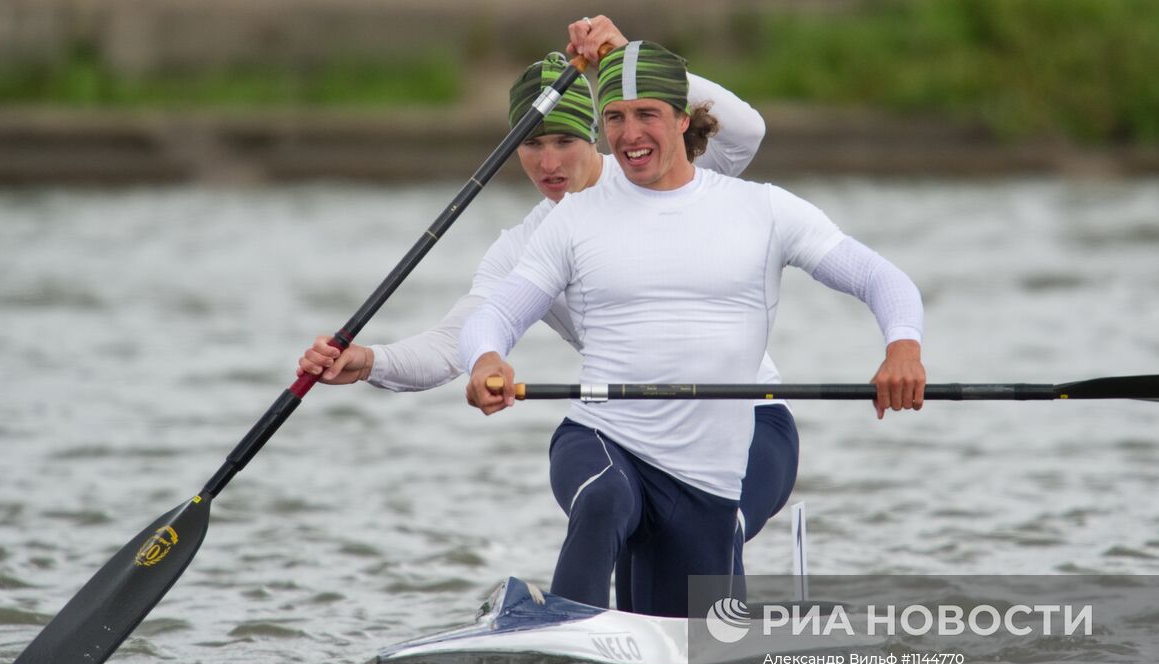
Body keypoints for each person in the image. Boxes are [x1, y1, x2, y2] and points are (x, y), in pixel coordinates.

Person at [294, 18, 797, 607]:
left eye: (565, 141)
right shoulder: (525, 245)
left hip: (746, 420)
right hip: (631, 435)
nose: (547, 161)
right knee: (603, 500)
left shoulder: (667, 173)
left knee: (721, 525)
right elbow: (455, 342)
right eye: (532, 143)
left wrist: (625, 54)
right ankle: (570, 651)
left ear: (602, 135)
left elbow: (745, 131)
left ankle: (702, 650)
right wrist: (368, 360)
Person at [461, 40, 926, 618]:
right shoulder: (573, 220)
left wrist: (902, 348)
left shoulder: (764, 210)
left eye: (647, 114)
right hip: (606, 436)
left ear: (684, 118)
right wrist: (486, 357)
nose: (629, 134)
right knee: (602, 499)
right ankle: (557, 637)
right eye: (614, 118)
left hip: (706, 472)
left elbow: (882, 279)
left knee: (684, 641)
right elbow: (496, 312)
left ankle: (606, 651)